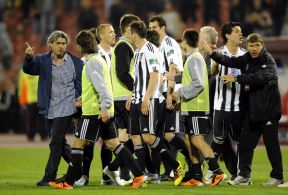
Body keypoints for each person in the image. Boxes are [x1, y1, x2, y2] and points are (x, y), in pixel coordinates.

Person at [49, 30, 146, 190]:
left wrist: (103, 106)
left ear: (80, 46)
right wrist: (85, 98)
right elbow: (98, 86)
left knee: (78, 144)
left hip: (95, 112)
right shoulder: (97, 60)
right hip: (101, 110)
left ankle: (69, 180)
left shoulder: (92, 62)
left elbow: (102, 88)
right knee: (114, 144)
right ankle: (139, 175)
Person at [203, 33, 284, 186]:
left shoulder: (268, 61)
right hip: (253, 112)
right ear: (247, 46)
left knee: (271, 145)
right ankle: (244, 177)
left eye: (257, 45)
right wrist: (212, 53)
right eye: (251, 46)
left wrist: (237, 78)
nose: (254, 49)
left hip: (268, 112)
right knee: (245, 145)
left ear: (262, 45)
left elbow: (259, 78)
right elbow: (229, 61)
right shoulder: (246, 58)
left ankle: (278, 177)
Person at [127, 20, 184, 186]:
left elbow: (154, 76)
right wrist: (133, 96)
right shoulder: (138, 51)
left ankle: (175, 165)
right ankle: (140, 175)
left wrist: (146, 98)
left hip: (148, 100)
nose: (129, 36)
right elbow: (139, 78)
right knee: (136, 137)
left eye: (130, 33)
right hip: (137, 99)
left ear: (135, 34)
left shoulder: (150, 49)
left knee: (149, 137)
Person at [23, 30, 83, 186]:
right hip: (49, 108)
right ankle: (78, 172)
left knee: (55, 143)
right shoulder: (42, 61)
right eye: (58, 43)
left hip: (67, 107)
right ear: (50, 45)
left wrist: (81, 97)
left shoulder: (76, 62)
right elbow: (28, 69)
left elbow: (81, 83)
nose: (61, 46)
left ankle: (49, 177)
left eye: (64, 43)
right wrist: (28, 58)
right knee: (61, 144)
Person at [171, 28, 225, 187]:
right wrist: (181, 102)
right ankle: (196, 175)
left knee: (197, 140)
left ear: (185, 41)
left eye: (182, 40)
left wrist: (179, 93)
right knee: (189, 139)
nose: (181, 43)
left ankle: (217, 171)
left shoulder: (194, 58)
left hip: (197, 107)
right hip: (190, 106)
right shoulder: (193, 58)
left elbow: (199, 83)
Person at [201, 23, 246, 184]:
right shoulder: (218, 53)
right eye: (237, 32)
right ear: (227, 35)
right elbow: (212, 73)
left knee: (241, 141)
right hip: (220, 105)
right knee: (218, 139)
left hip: (239, 106)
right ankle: (213, 171)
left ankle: (242, 175)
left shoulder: (245, 55)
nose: (241, 34)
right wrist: (214, 67)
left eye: (241, 32)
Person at [74, 24, 117, 186]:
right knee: (89, 142)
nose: (114, 35)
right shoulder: (89, 58)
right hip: (94, 104)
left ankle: (105, 176)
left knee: (108, 143)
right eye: (110, 32)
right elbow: (86, 83)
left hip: (109, 104)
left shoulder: (116, 54)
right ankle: (83, 175)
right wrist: (83, 98)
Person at [149, 15, 191, 181]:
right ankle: (163, 172)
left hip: (169, 93)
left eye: (154, 28)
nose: (151, 30)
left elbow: (174, 69)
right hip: (158, 95)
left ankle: (193, 160)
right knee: (159, 135)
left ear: (163, 28)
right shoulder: (153, 46)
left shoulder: (169, 43)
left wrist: (169, 96)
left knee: (169, 135)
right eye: (150, 28)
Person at [110, 14, 142, 182]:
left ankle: (121, 173)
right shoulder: (124, 46)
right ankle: (117, 169)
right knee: (133, 136)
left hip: (119, 97)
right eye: (135, 29)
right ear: (129, 30)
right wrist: (136, 88)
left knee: (124, 137)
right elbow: (122, 72)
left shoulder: (121, 46)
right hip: (124, 97)